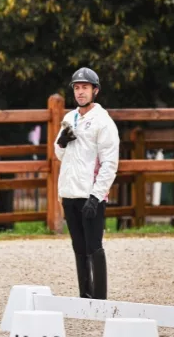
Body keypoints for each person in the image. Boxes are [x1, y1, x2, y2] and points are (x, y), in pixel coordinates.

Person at [55, 67, 120, 300]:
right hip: (70, 192)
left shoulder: (103, 122)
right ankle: (85, 295)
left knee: (94, 246)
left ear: (95, 91)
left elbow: (109, 164)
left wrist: (96, 196)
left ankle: (100, 298)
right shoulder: (69, 118)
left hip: (91, 195)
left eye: (85, 88)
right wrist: (61, 142)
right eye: (77, 88)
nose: (80, 92)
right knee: (78, 247)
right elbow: (60, 154)